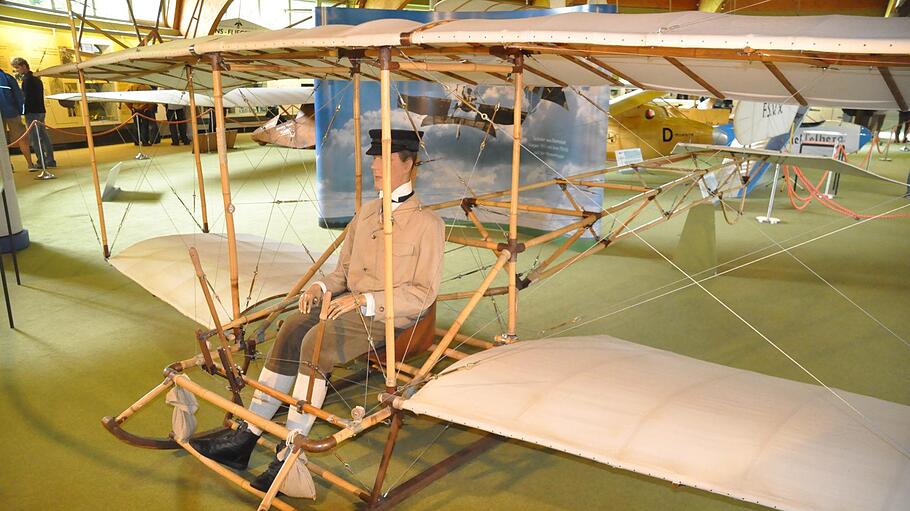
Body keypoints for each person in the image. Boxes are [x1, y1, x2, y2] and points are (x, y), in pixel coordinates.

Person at [190, 129, 444, 492]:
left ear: (409, 165)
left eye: (384, 158)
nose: (374, 165)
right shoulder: (367, 213)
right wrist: (320, 287)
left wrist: (364, 301)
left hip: (386, 315)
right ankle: (247, 436)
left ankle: (288, 452)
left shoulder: (427, 225)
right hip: (347, 305)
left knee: (315, 343)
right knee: (292, 326)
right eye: (374, 157)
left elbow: (423, 294)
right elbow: (342, 272)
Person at [11, 57, 56, 169]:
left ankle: (41, 162)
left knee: (35, 138)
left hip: (32, 112)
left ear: (24, 66)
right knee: (44, 136)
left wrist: (22, 109)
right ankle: (50, 160)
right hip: (41, 110)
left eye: (17, 67)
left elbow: (26, 98)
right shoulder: (37, 79)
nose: (16, 70)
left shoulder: (27, 81)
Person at [0, 65, 35, 170]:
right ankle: (30, 164)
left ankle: (8, 166)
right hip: (12, 112)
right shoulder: (8, 78)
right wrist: (21, 111)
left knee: (2, 141)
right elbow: (19, 96)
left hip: (10, 112)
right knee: (21, 138)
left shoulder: (8, 78)